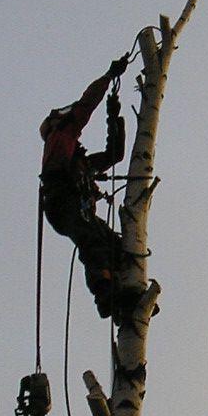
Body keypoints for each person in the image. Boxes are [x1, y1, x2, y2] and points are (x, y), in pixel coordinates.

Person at [40, 53, 138, 320]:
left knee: (117, 247)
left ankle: (123, 298)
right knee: (91, 240)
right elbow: (84, 108)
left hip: (76, 207)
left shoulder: (78, 162)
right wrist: (108, 77)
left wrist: (113, 115)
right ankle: (105, 294)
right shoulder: (58, 140)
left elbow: (114, 155)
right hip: (63, 203)